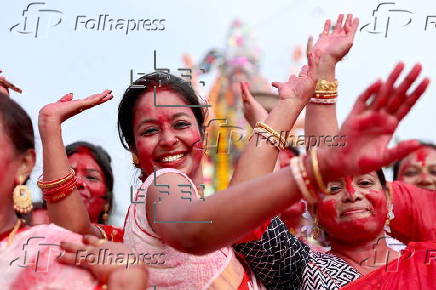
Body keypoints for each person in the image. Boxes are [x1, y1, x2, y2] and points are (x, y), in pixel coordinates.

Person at [0, 75, 147, 289]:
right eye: (69, 172)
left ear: (24, 164)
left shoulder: (55, 252)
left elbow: (74, 228)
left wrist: (127, 280)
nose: (79, 182)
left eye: (91, 177)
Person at [66, 141, 124, 241]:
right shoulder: (31, 239)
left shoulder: (128, 244)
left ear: (107, 201)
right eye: (68, 175)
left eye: (91, 177)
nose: (78, 182)